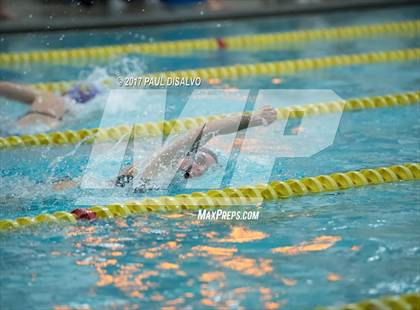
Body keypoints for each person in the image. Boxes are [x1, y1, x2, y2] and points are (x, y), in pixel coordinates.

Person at [115, 105, 278, 192]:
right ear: (183, 154)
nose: (200, 169)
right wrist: (256, 119)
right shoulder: (157, 167)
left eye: (205, 169)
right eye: (199, 160)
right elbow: (207, 130)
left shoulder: (168, 185)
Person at [0, 81, 101, 133]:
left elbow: (4, 87)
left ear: (65, 91)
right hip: (44, 129)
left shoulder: (47, 95)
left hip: (15, 126)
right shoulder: (74, 108)